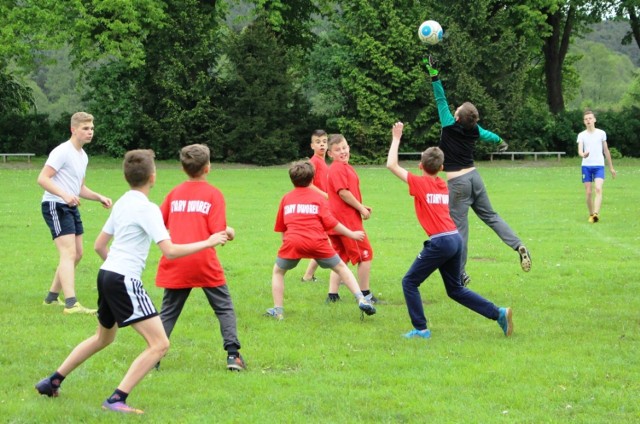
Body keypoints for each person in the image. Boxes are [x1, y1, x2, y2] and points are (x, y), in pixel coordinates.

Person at [35, 149, 229, 414]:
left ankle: (52, 381)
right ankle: (116, 399)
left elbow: (100, 245)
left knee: (102, 338)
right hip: (122, 279)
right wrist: (208, 241)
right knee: (160, 344)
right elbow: (170, 251)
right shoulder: (148, 209)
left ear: (127, 177)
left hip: (106, 275)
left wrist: (115, 270)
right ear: (153, 176)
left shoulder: (124, 202)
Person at [386, 122, 513, 338]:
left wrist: (396, 137)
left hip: (441, 242)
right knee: (455, 290)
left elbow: (391, 165)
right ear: (442, 169)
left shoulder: (420, 183)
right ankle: (498, 313)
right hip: (455, 239)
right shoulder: (442, 185)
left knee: (409, 282)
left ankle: (421, 329)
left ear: (420, 165)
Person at [424, 56, 531, 286]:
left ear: (457, 117)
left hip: (458, 184)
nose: (454, 108)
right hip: (475, 178)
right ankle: (517, 244)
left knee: (459, 229)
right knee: (492, 217)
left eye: (457, 109)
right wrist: (501, 141)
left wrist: (434, 73)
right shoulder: (474, 129)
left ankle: (459, 273)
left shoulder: (448, 123)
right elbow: (490, 135)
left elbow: (439, 96)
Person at [156, 144, 244, 372]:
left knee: (168, 312)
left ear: (183, 168)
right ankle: (233, 356)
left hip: (176, 258)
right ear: (208, 167)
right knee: (224, 308)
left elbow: (159, 223)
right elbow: (219, 233)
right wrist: (230, 232)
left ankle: (153, 357)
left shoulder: (174, 194)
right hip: (204, 260)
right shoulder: (213, 194)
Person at [265, 160, 376, 320]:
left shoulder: (286, 199)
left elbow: (282, 227)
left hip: (293, 242)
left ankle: (279, 311)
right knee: (341, 268)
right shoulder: (318, 199)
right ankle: (361, 298)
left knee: (278, 272)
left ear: (292, 179)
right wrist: (351, 234)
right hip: (317, 242)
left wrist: (286, 245)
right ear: (312, 179)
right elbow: (332, 223)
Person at [37, 111, 113, 314]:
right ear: (73, 129)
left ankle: (52, 298)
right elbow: (43, 178)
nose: (90, 132)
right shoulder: (62, 151)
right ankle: (71, 304)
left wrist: (99, 197)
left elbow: (79, 188)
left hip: (70, 205)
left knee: (77, 254)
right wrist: (64, 195)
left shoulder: (83, 156)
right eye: (85, 129)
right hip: (55, 205)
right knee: (68, 253)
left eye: (91, 129)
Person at [325, 134, 376, 303]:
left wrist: (361, 205)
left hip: (337, 220)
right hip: (346, 221)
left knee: (340, 258)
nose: (343, 152)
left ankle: (332, 295)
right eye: (338, 150)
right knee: (365, 255)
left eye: (345, 147)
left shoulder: (344, 167)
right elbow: (343, 192)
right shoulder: (338, 168)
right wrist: (360, 208)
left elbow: (346, 194)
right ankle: (365, 294)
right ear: (330, 154)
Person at [577, 110, 616, 223]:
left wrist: (611, 168)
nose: (588, 120)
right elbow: (580, 150)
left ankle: (595, 214)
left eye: (590, 118)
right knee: (589, 192)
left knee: (598, 189)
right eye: (586, 119)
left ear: (594, 120)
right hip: (586, 166)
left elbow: (606, 150)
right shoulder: (581, 135)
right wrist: (583, 154)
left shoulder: (601, 133)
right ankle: (590, 214)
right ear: (584, 122)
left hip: (599, 165)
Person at [301, 130, 329, 283]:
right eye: (318, 142)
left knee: (326, 240)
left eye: (324, 141)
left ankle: (310, 275)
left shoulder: (323, 162)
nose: (322, 144)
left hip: (324, 205)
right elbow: (308, 184)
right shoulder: (314, 162)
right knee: (325, 240)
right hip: (319, 206)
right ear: (312, 145)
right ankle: (308, 275)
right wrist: (326, 196)